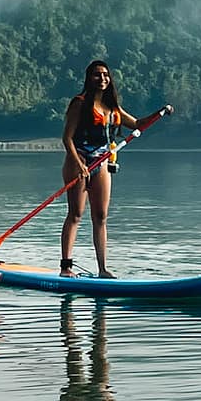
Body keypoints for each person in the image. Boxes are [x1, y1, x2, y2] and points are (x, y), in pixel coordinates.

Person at [61, 61, 138, 277]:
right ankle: (66, 267)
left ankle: (103, 269)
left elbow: (138, 123)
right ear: (89, 78)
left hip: (101, 164)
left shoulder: (113, 107)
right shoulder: (79, 103)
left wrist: (160, 113)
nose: (102, 78)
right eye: (97, 75)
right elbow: (67, 139)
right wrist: (79, 165)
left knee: (101, 216)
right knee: (76, 214)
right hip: (78, 162)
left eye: (105, 75)